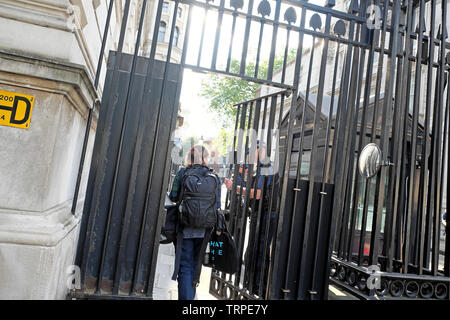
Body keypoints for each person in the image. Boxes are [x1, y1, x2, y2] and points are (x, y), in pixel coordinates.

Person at [224, 140, 279, 297]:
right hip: (260, 214)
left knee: (258, 254)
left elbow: (259, 194)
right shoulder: (262, 168)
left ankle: (257, 290)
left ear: (260, 150)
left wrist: (236, 188)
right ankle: (252, 287)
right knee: (252, 253)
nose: (249, 156)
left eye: (250, 153)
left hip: (266, 215)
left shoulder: (267, 167)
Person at [168, 145, 221, 300]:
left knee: (185, 266)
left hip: (184, 227)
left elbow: (173, 196)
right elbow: (216, 206)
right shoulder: (214, 176)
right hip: (204, 230)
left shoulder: (182, 173)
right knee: (195, 266)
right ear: (206, 158)